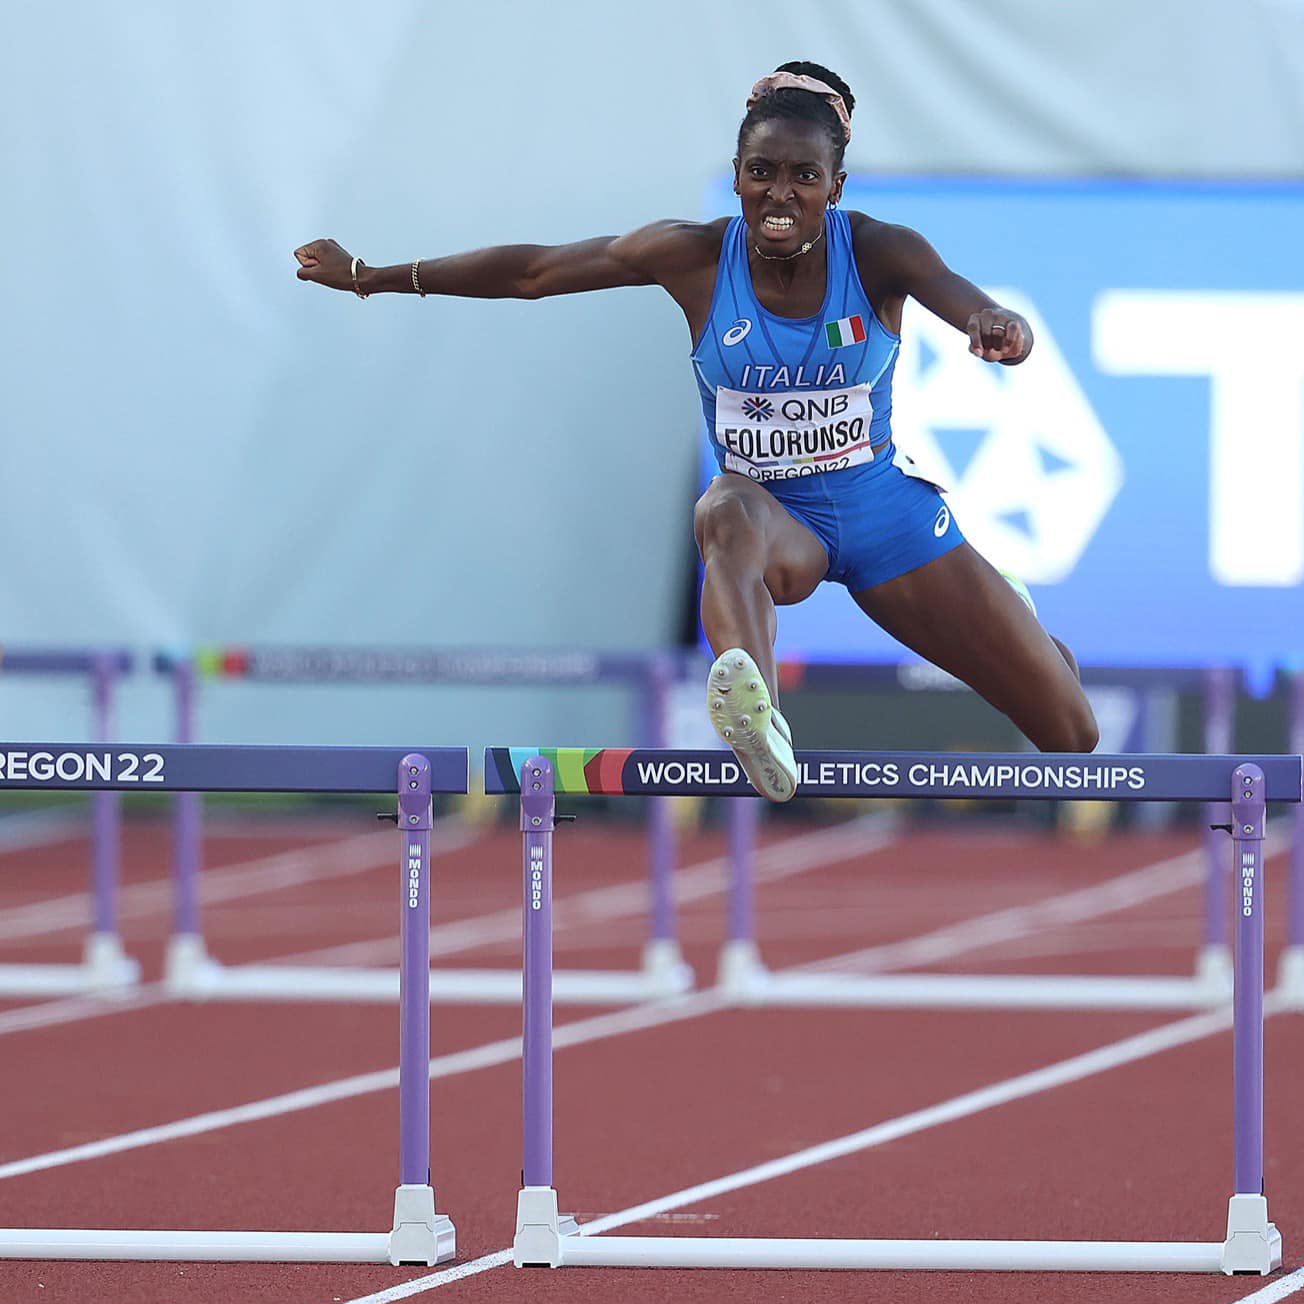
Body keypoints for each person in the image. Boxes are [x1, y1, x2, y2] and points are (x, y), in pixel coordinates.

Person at [295, 60, 1098, 801]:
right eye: (761, 172)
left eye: (804, 177)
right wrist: (370, 277)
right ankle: (759, 719)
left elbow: (971, 302)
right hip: (778, 521)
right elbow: (533, 273)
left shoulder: (882, 251)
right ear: (739, 175)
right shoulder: (693, 257)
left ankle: (1018, 621)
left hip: (886, 516)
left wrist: (1001, 327)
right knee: (722, 508)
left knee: (1071, 733)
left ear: (835, 187)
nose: (779, 194)